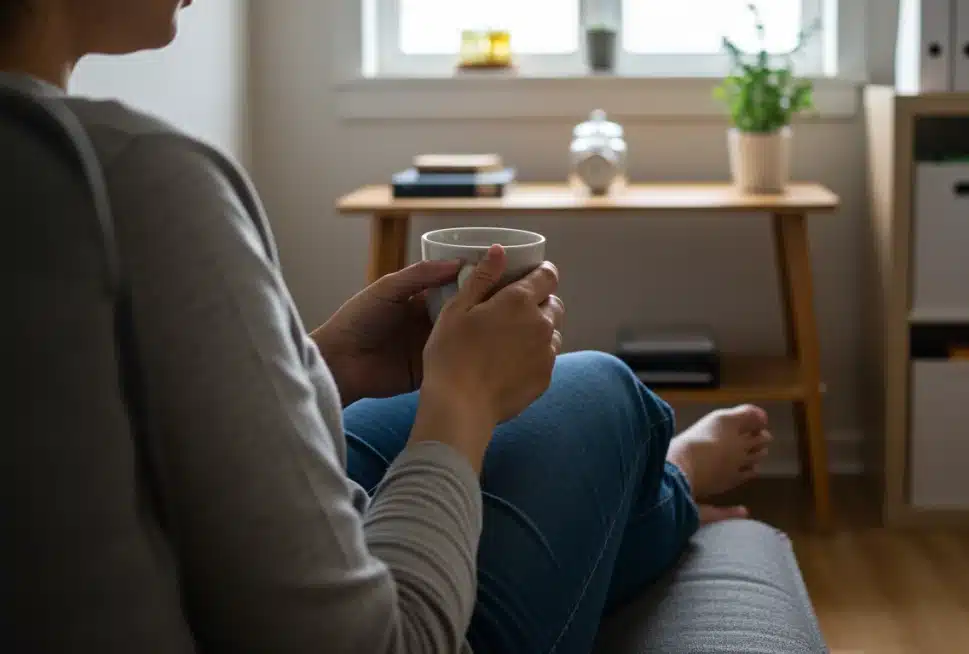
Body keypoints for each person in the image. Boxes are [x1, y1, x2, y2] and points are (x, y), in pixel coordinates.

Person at [0, 1, 772, 653]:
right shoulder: (127, 180)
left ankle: (641, 492)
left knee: (481, 415)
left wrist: (316, 363)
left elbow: (88, 434)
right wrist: (462, 403)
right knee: (603, 389)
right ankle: (669, 479)